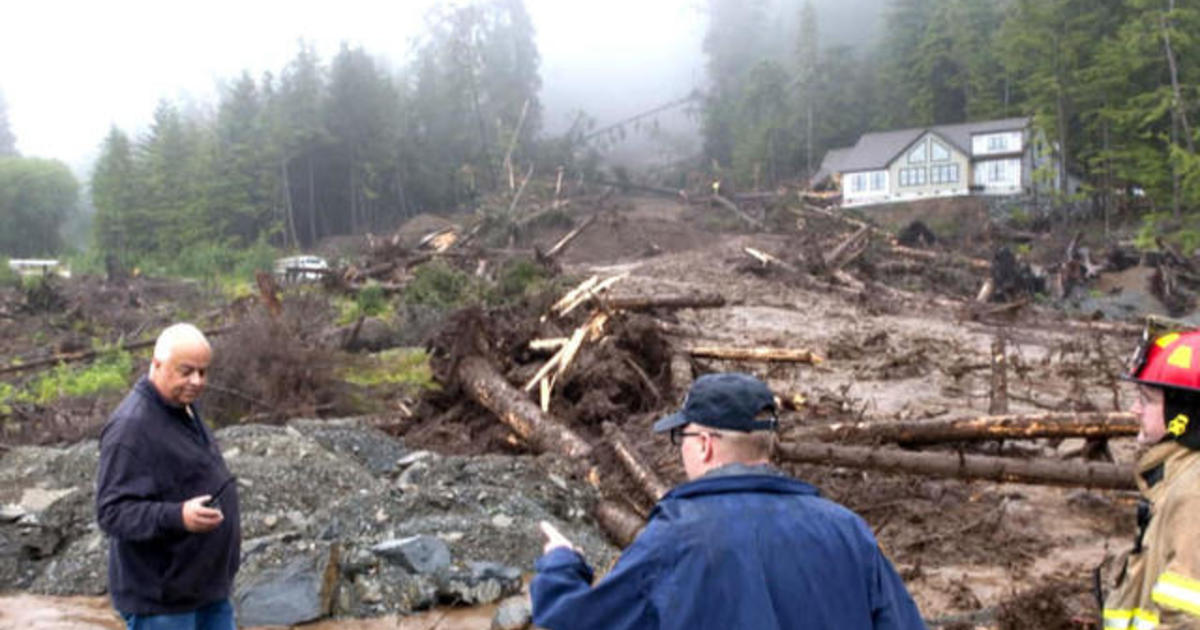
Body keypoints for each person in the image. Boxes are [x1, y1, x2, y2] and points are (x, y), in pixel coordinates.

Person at [531, 372, 926, 629]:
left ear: (703, 445)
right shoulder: (847, 529)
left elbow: (575, 624)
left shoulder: (675, 539)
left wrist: (560, 564)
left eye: (680, 437)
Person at [96, 323, 241, 630]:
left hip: (205, 592)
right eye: (186, 371)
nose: (196, 381)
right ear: (157, 364)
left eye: (203, 372)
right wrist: (179, 516)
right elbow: (112, 512)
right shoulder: (131, 428)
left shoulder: (181, 407)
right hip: (162, 603)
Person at [1100, 326, 1200, 629]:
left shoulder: (1193, 495)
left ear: (1184, 413)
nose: (1134, 409)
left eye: (1147, 399)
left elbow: (1188, 617)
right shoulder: (1175, 476)